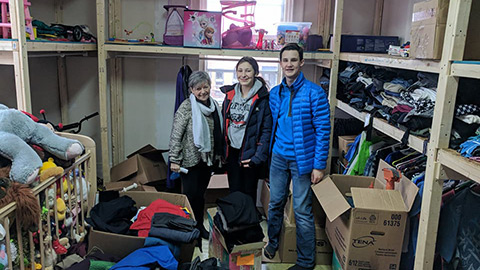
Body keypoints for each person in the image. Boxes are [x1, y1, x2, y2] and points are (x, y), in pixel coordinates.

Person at [264, 43, 331, 270]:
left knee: (302, 211)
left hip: (303, 161)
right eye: (286, 60)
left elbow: (323, 130)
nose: (289, 64)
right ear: (280, 63)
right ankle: (273, 243)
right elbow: (273, 125)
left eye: (294, 60)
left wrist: (319, 166)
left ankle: (305, 262)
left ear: (301, 62)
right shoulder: (275, 93)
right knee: (275, 204)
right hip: (278, 157)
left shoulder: (315, 92)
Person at [169, 71, 223, 240]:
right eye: (198, 88)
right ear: (191, 89)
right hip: (189, 162)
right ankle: (190, 230)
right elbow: (176, 134)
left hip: (206, 161)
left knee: (200, 197)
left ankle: (199, 227)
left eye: (205, 87)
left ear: (210, 85)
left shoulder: (215, 106)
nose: (202, 91)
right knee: (190, 198)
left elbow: (218, 133)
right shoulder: (186, 107)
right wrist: (174, 159)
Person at [221, 56, 272, 204]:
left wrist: (257, 157)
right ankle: (236, 223)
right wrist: (223, 151)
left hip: (250, 153)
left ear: (255, 72)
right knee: (234, 191)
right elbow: (225, 124)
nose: (243, 74)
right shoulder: (230, 94)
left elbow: (266, 130)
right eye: (240, 70)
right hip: (232, 151)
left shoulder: (263, 98)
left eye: (248, 71)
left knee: (248, 193)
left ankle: (248, 224)